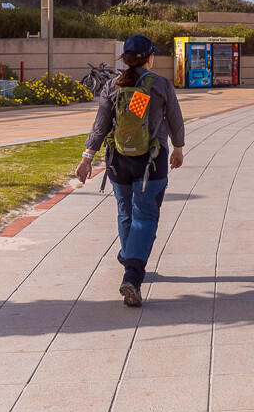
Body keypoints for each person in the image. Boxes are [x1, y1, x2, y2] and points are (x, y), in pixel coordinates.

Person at [75, 35, 185, 308]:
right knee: (145, 215)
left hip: (118, 161)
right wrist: (178, 149)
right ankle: (133, 276)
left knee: (125, 211)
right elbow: (175, 119)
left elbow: (100, 126)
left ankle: (129, 258)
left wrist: (87, 158)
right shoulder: (160, 84)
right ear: (149, 58)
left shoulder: (112, 86)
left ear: (124, 59)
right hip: (151, 162)